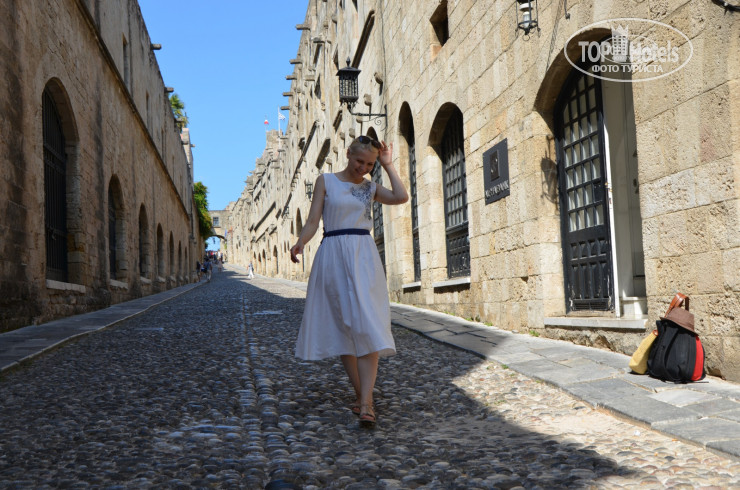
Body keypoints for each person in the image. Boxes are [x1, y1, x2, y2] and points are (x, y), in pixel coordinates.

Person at [290, 135, 408, 428]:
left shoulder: (370, 187)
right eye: (359, 161)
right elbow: (313, 221)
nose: (363, 168)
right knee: (344, 327)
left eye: (369, 164)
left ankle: (366, 402)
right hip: (332, 254)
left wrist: (387, 165)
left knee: (368, 324)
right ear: (347, 154)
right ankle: (362, 396)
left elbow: (401, 196)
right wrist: (301, 242)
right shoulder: (326, 181)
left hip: (363, 256)